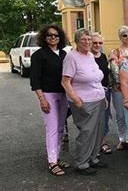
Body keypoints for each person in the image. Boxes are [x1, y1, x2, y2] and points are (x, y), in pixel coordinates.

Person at [61, 29, 107, 176]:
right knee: (87, 131)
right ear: (77, 41)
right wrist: (75, 98)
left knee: (98, 130)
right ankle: (81, 163)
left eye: (89, 39)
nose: (87, 43)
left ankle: (93, 158)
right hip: (83, 101)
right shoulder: (71, 57)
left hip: (98, 98)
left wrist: (104, 97)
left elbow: (96, 78)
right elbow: (65, 81)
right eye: (83, 40)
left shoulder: (90, 56)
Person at [30, 25, 69, 176]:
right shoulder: (39, 55)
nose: (53, 38)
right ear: (44, 38)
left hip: (63, 95)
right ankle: (52, 161)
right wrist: (42, 99)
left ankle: (57, 157)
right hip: (48, 95)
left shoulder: (64, 54)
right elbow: (35, 79)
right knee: (52, 128)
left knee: (60, 127)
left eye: (56, 35)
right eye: (50, 35)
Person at [109, 25, 128, 150]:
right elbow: (114, 70)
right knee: (120, 114)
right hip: (119, 88)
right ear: (120, 37)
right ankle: (122, 138)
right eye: (125, 35)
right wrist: (122, 82)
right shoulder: (115, 52)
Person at [91, 33, 112, 155]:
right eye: (95, 43)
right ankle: (93, 144)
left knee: (104, 118)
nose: (97, 45)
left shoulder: (103, 56)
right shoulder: (87, 57)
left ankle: (102, 142)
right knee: (93, 119)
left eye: (100, 43)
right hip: (91, 92)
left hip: (105, 91)